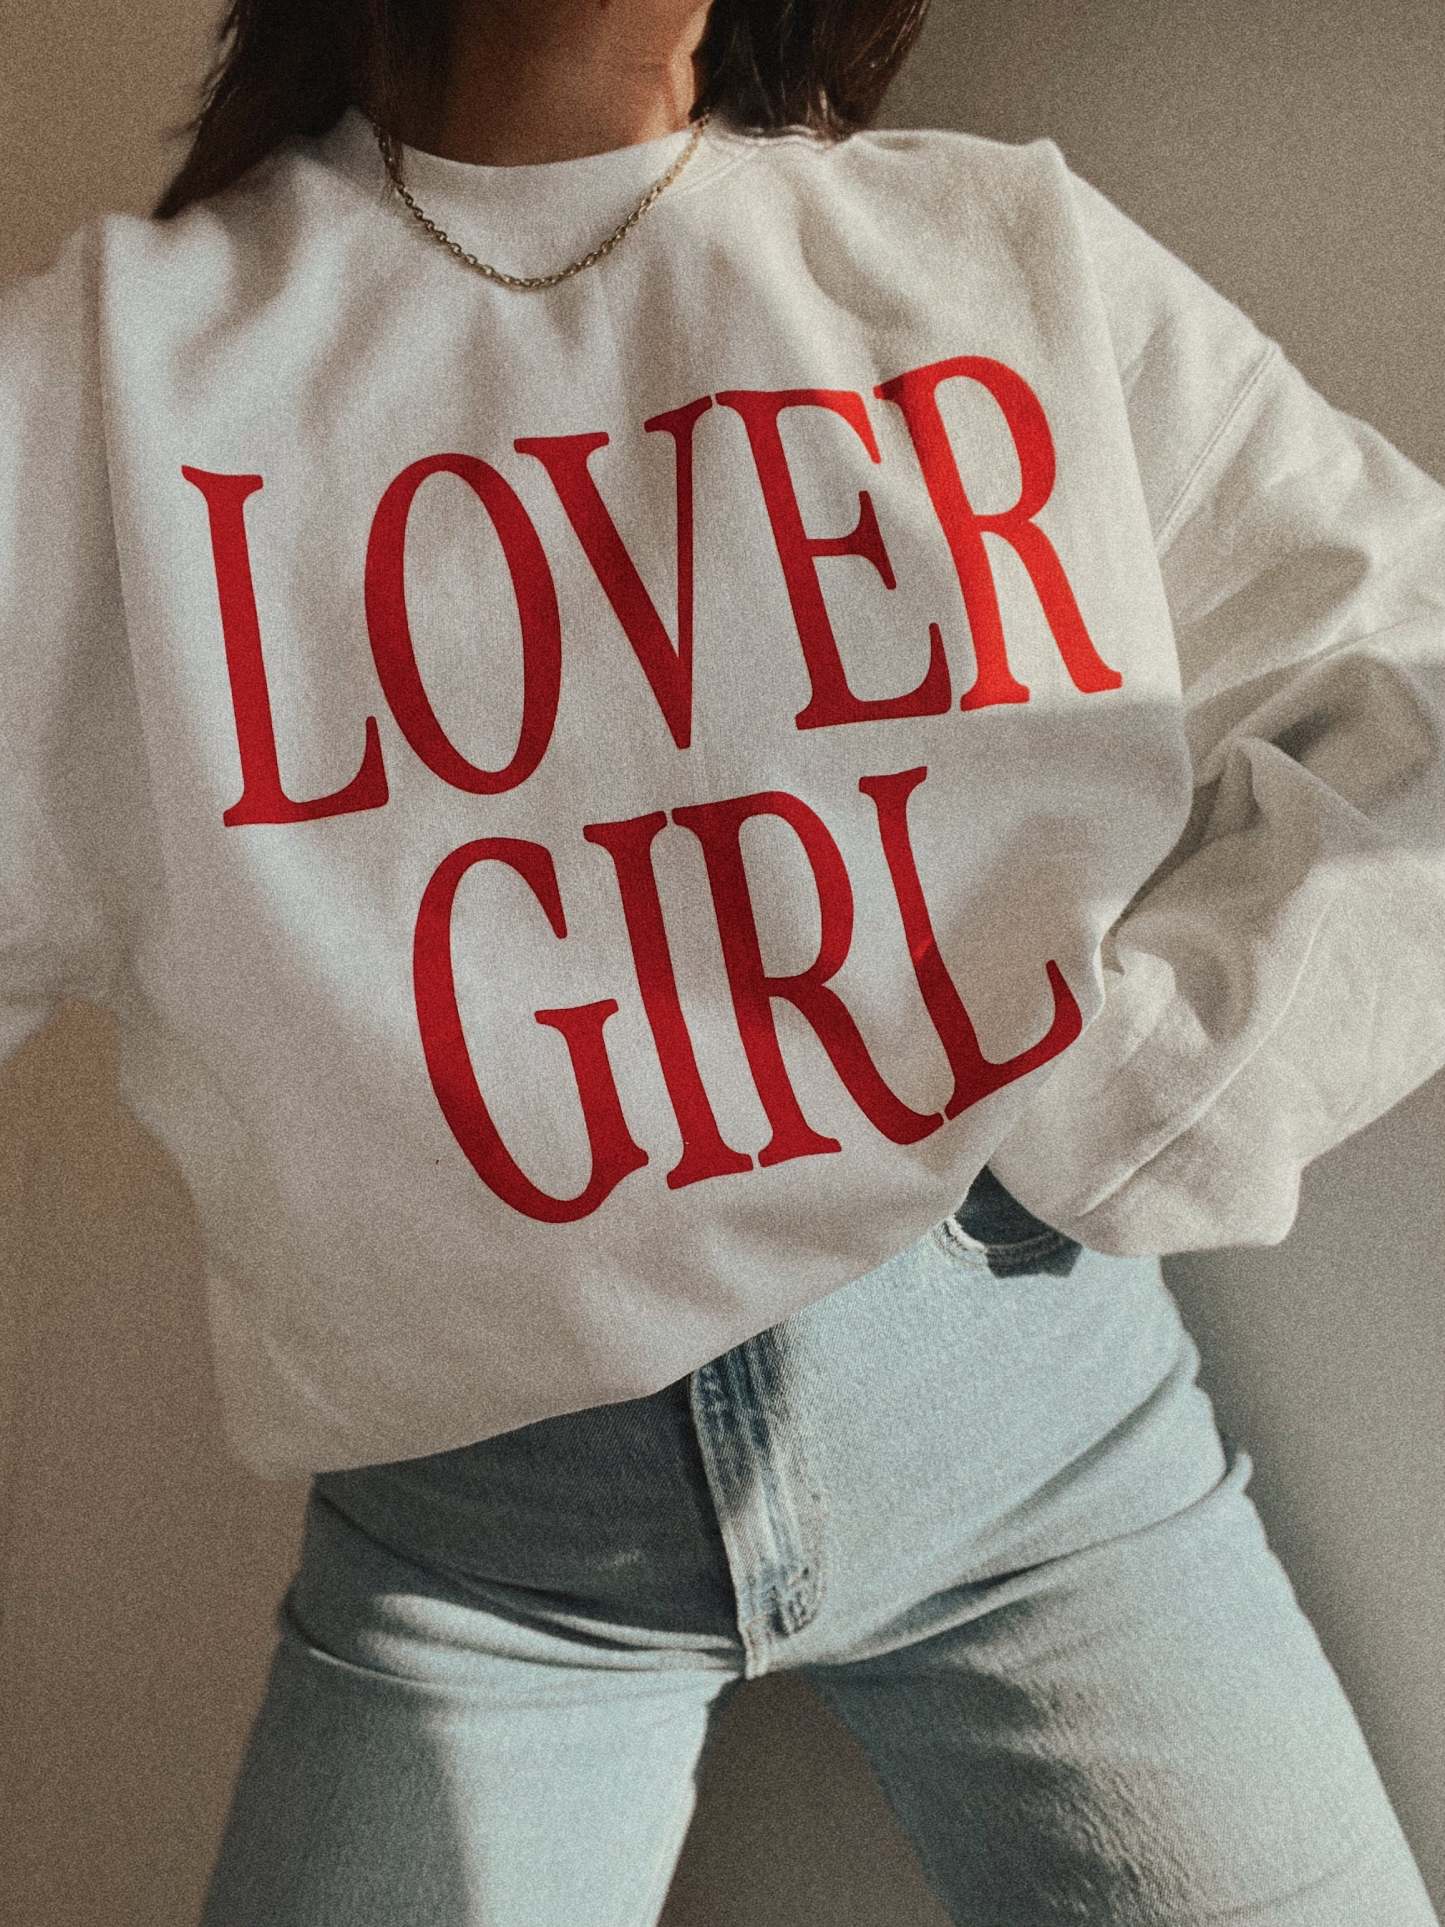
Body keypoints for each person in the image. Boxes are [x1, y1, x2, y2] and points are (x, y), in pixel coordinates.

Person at [3, 0, 1442, 1920]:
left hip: (1050, 1461)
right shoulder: (105, 387)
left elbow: (1417, 668)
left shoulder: (987, 255)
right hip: (488, 1574)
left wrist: (1159, 1095)